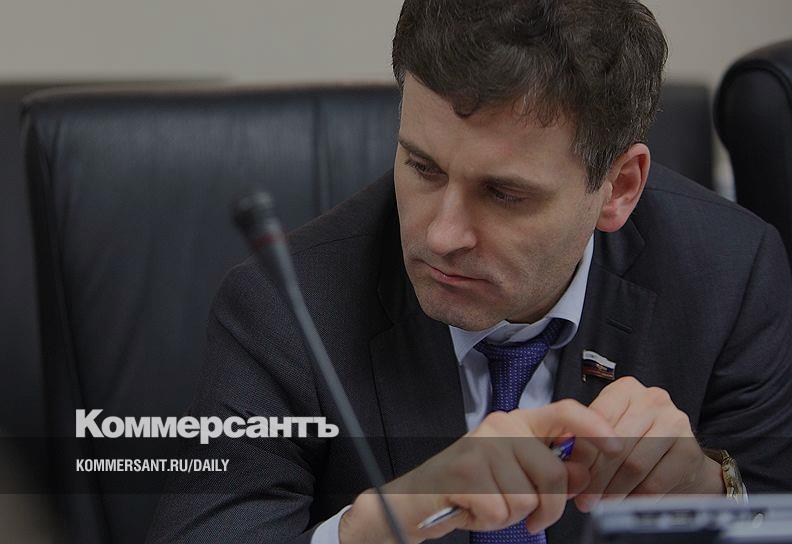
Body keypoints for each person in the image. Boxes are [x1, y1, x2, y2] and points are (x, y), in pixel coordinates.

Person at [147, 1, 792, 542]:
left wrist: (705, 488)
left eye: (504, 194)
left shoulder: (730, 272)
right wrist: (374, 526)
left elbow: (770, 501)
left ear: (618, 189)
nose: (441, 236)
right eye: (422, 167)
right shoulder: (285, 306)